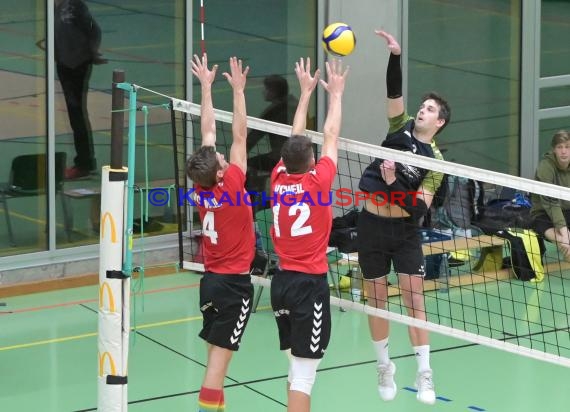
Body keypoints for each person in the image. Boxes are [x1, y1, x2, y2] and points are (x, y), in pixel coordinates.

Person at [356, 30, 451, 405]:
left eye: (429, 109)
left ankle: (425, 373)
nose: (422, 110)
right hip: (371, 224)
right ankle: (384, 365)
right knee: (375, 299)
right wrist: (395, 55)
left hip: (405, 232)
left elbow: (418, 209)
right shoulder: (401, 128)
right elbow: (393, 93)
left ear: (439, 122)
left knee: (414, 301)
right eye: (422, 106)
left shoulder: (436, 163)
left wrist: (394, 183)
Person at [270, 57, 348, 412]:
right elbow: (330, 134)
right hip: (308, 287)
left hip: (281, 283)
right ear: (311, 160)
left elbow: (296, 138)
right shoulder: (318, 182)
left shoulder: (277, 179)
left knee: (295, 368)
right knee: (304, 375)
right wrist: (335, 94)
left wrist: (305, 94)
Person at [185, 54, 254, 412]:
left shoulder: (200, 190)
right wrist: (239, 91)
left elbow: (208, 134)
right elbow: (239, 134)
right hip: (232, 287)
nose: (226, 160)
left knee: (218, 359)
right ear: (219, 174)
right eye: (223, 163)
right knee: (216, 368)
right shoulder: (232, 187)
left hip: (210, 283)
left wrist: (207, 88)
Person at [54, 0, 107, 179]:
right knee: (74, 112)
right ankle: (84, 162)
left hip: (76, 64)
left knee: (76, 112)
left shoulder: (74, 6)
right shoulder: (56, 7)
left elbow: (94, 30)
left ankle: (84, 163)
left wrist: (91, 52)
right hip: (63, 63)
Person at [246, 75, 299, 210]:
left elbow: (253, 137)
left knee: (247, 166)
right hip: (297, 156)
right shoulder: (294, 103)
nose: (263, 92)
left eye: (267, 89)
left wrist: (239, 154)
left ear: (274, 91)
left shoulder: (274, 110)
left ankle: (254, 207)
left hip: (279, 158)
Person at [531, 130, 570, 261]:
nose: (564, 151)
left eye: (567, 147)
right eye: (560, 147)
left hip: (567, 211)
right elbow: (551, 203)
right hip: (543, 213)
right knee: (562, 237)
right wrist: (565, 236)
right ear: (554, 150)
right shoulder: (545, 166)